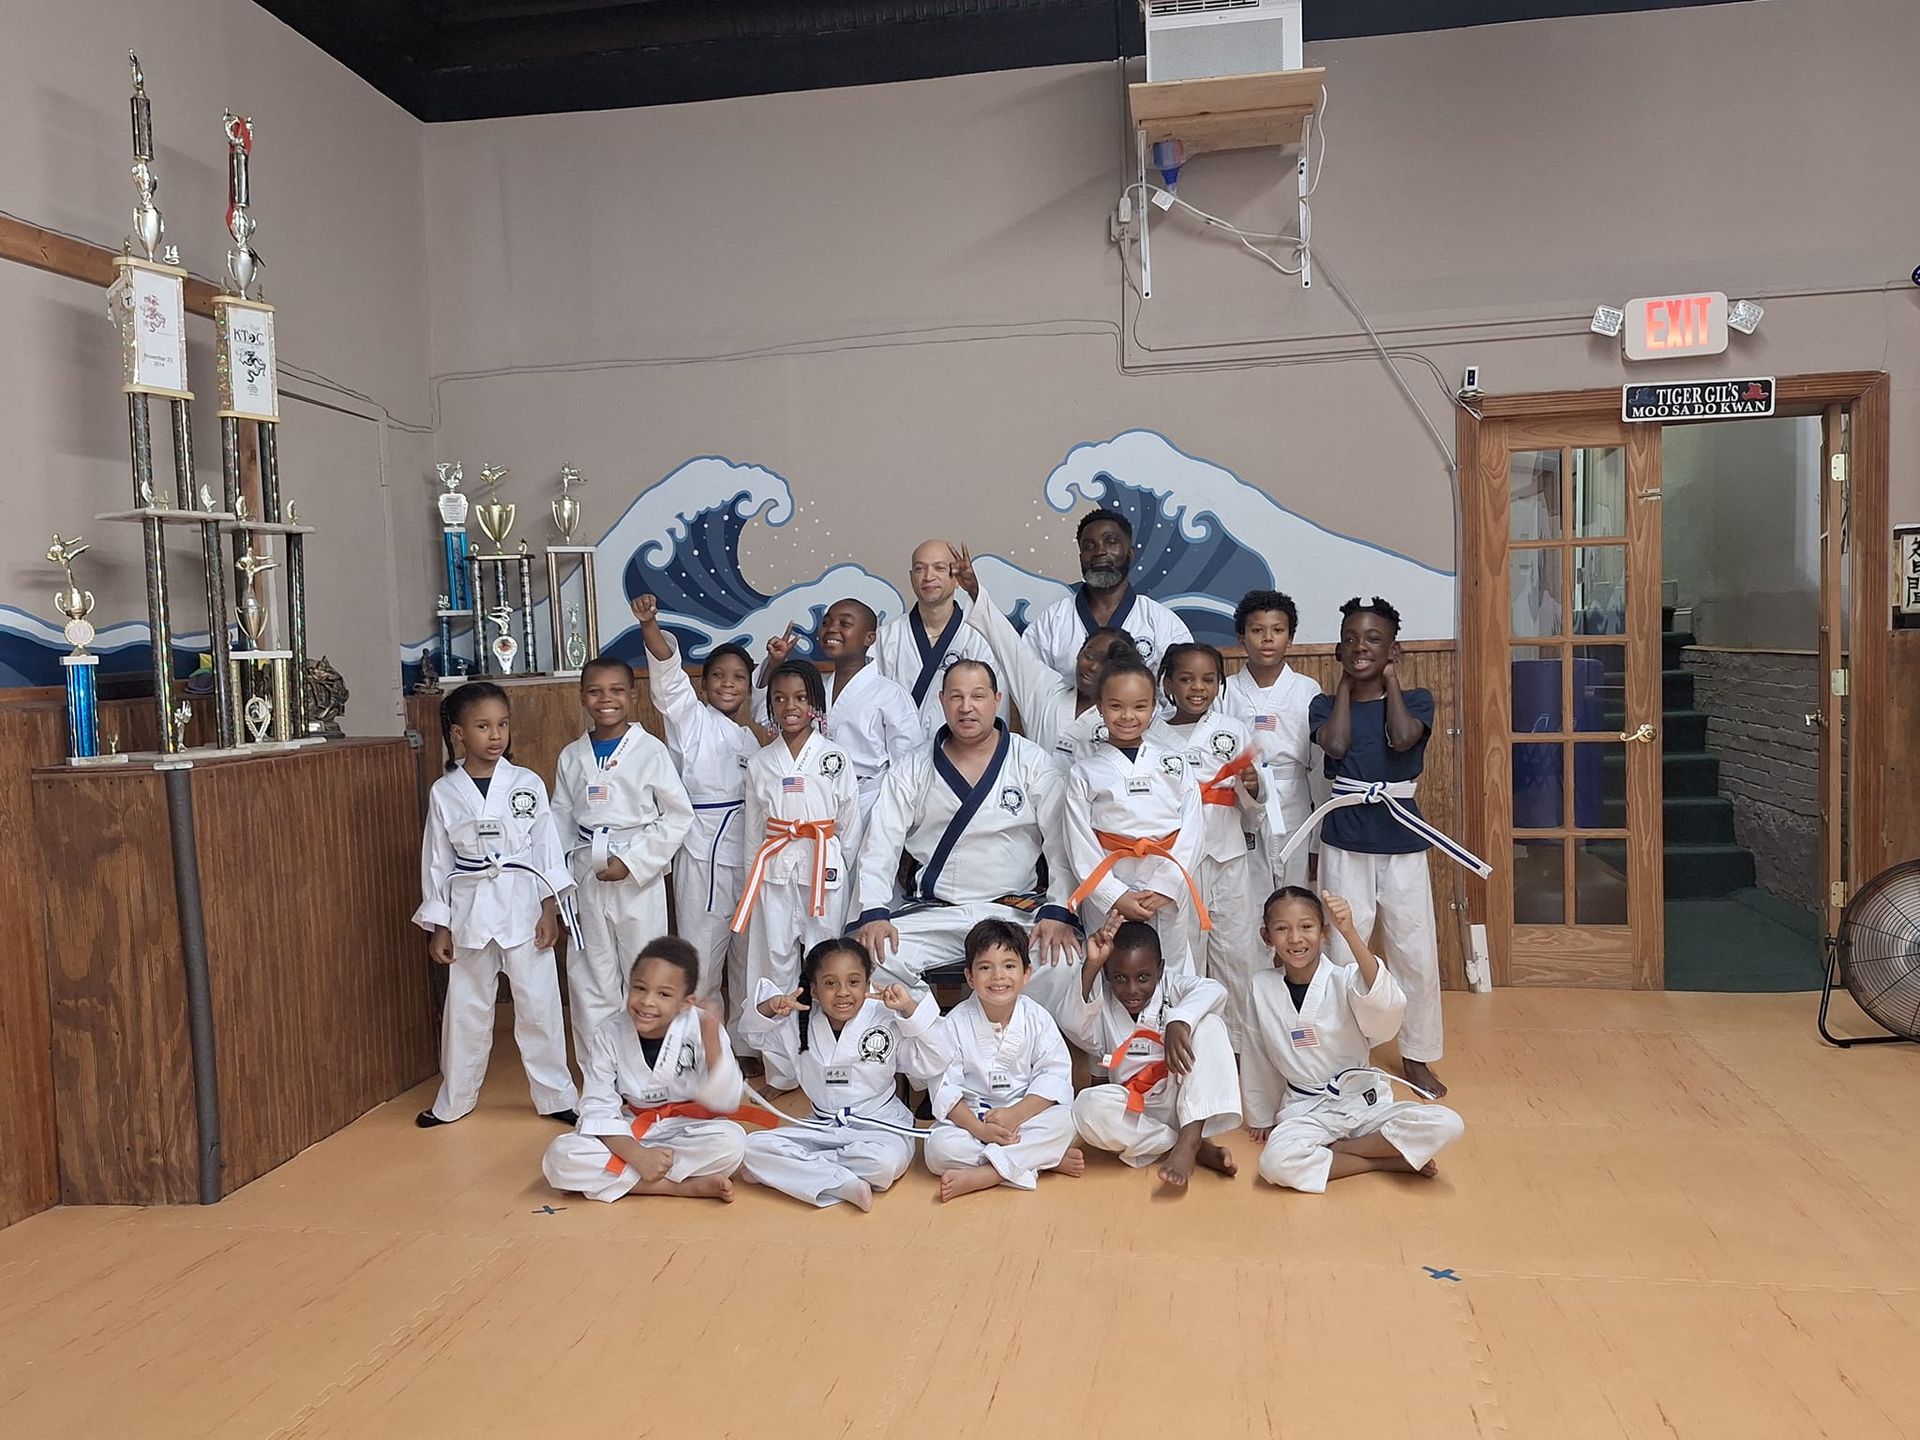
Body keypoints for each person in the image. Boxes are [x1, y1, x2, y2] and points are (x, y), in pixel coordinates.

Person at [1301, 596, 1477, 1099]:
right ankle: (1343, 1053)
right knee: (1340, 949)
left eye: (1374, 639)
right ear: (1338, 649)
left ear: (1393, 649)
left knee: (1412, 950)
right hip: (1344, 838)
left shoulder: (1416, 698)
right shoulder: (1322, 705)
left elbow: (1402, 741)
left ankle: (1417, 1054)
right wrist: (1345, 689)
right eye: (1351, 639)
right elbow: (1334, 747)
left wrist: (1391, 682)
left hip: (1401, 839)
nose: (1361, 647)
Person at [852, 658, 1082, 1014]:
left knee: (1063, 960)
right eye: (956, 696)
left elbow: (1060, 842)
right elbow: (882, 842)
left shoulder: (1031, 761)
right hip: (937, 914)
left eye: (978, 696)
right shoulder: (914, 766)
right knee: (870, 955)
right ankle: (939, 1035)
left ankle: (1015, 1038)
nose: (966, 707)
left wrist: (1058, 908)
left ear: (997, 699)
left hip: (1011, 911)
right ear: (942, 701)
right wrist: (873, 910)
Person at [413, 681, 578, 1128]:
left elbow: (546, 849)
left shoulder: (526, 784)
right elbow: (437, 862)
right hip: (469, 910)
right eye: (483, 726)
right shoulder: (445, 792)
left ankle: (556, 1095)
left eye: (502, 724)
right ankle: (455, 1099)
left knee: (539, 1006)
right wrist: (439, 925)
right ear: (458, 733)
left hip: (524, 905)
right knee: (465, 1011)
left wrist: (550, 908)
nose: (495, 735)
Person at [1241, 888, 1464, 1193]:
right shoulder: (1260, 986)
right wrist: (1262, 1115)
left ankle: (1341, 1152)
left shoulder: (1346, 979)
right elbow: (1256, 1052)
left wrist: (1351, 932)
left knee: (1448, 1123)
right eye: (1282, 929)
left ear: (1324, 932)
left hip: (1363, 1102)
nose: (1295, 938)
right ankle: (1382, 1161)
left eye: (1306, 927)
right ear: (1267, 936)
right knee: (1274, 1164)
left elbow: (1384, 1002)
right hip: (1307, 1108)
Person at [550, 655, 694, 1066]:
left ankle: (650, 1068)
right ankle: (601, 1076)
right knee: (590, 976)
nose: (605, 699)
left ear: (633, 696)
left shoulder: (650, 750)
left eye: (616, 690)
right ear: (581, 697)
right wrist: (560, 882)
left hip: (636, 877)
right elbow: (559, 818)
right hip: (584, 874)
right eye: (595, 691)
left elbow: (678, 814)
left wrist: (633, 862)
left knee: (646, 973)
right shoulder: (571, 756)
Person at [737, 937, 953, 1210]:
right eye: (830, 983)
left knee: (884, 1165)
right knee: (751, 1148)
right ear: (813, 989)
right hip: (821, 1125)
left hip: (878, 1126)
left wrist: (909, 1010)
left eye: (853, 982)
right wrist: (770, 1008)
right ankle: (843, 1183)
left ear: (868, 984)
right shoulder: (797, 1020)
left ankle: (799, 1172)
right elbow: (752, 1034)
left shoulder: (885, 1018)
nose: (842, 992)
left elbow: (937, 1058)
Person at [630, 595, 759, 1048]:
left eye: (739, 678)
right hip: (704, 853)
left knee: (748, 958)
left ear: (749, 687)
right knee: (702, 960)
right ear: (703, 687)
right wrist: (650, 626)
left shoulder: (748, 739)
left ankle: (742, 1048)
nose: (727, 684)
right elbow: (670, 684)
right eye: (718, 676)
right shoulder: (692, 721)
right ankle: (698, 1051)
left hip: (749, 853)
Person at [730, 659, 863, 1092]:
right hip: (774, 872)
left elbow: (850, 824)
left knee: (829, 966)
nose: (790, 706)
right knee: (774, 967)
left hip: (824, 869)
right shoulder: (760, 763)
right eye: (780, 698)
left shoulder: (833, 758)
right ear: (768, 706)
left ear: (815, 705)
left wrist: (850, 875)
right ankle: (782, 1070)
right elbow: (754, 830)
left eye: (801, 698)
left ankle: (832, 1064)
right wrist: (753, 882)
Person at [541, 937, 757, 1204]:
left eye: (664, 994)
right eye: (640, 988)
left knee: (733, 1142)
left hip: (689, 1129)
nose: (647, 1002)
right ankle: (679, 1187)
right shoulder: (609, 1033)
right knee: (560, 1156)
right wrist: (636, 1154)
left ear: (686, 1002)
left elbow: (726, 1101)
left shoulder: (703, 1027)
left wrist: (712, 1048)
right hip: (630, 1131)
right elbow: (597, 1106)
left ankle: (626, 1180)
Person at [1063, 647, 1208, 975]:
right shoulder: (1084, 772)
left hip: (1166, 879)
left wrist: (1164, 887)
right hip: (1111, 884)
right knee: (1110, 966)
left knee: (1171, 965)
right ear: (1099, 707)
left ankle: (1170, 1024)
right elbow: (1080, 844)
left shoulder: (1174, 763)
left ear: (1154, 707)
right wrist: (1113, 895)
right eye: (1116, 706)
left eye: (1139, 706)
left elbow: (1193, 829)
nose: (1127, 716)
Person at [1065, 917, 1240, 1187]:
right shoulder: (1103, 1002)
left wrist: (1179, 1020)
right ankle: (1181, 1145)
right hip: (1136, 1113)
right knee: (1086, 1107)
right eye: (1120, 978)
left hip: (1182, 1100)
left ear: (1160, 970)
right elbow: (1073, 1024)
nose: (1132, 989)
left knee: (1210, 1024)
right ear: (1107, 974)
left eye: (1144, 977)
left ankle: (1191, 1137)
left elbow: (1215, 990)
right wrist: (1092, 965)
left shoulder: (1174, 987)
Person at [923, 918, 1084, 1201]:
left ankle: (989, 1174)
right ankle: (1042, 1160)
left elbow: (1054, 1077)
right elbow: (945, 1089)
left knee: (1068, 1122)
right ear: (970, 977)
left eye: (1009, 966)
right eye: (985, 967)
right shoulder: (954, 1023)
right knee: (938, 1149)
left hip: (1025, 1117)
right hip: (974, 1122)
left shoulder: (1038, 1019)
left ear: (1026, 973)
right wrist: (981, 1129)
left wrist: (1016, 1114)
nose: (998, 976)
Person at [1153, 642, 1263, 1049]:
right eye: (1186, 679)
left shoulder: (1231, 730)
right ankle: (1190, 1042)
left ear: (1220, 684)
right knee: (1183, 954)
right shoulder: (1151, 733)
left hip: (1227, 853)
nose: (1197, 687)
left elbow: (1254, 802)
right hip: (1176, 860)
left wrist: (1253, 787)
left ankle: (1236, 1047)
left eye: (1208, 679)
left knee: (1237, 953)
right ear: (1167, 684)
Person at [946, 540, 1128, 769]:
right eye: (1089, 654)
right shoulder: (1044, 689)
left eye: (1105, 661)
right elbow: (1008, 645)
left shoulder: (1124, 715)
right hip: (1036, 801)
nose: (1092, 666)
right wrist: (974, 590)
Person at [764, 599, 923, 826]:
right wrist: (774, 665)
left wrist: (903, 827)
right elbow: (767, 716)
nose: (832, 629)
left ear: (870, 638)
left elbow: (909, 765)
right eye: (826, 622)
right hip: (816, 801)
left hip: (870, 803)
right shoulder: (812, 689)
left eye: (845, 623)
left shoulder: (890, 694)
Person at [1220, 589, 1321, 893]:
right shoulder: (1225, 690)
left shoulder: (1307, 690)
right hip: (1240, 798)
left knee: (1297, 889)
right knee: (1248, 892)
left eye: (1277, 631)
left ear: (1290, 639)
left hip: (1295, 797)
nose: (1267, 639)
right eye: (1256, 630)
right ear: (1241, 636)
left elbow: (1318, 766)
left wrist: (1318, 835)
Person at [1021, 509, 1192, 683]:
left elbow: (1178, 695)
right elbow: (1030, 688)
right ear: (1081, 557)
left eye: (1111, 542)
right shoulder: (1052, 622)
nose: (1099, 551)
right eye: (1089, 546)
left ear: (1130, 552)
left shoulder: (1162, 623)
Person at [875, 539, 1001, 732]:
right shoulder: (887, 637)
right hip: (898, 754)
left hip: (960, 752)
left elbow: (992, 710)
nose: (928, 576)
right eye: (920, 569)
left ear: (957, 578)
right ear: (911, 577)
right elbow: (872, 704)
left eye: (939, 568)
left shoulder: (979, 637)